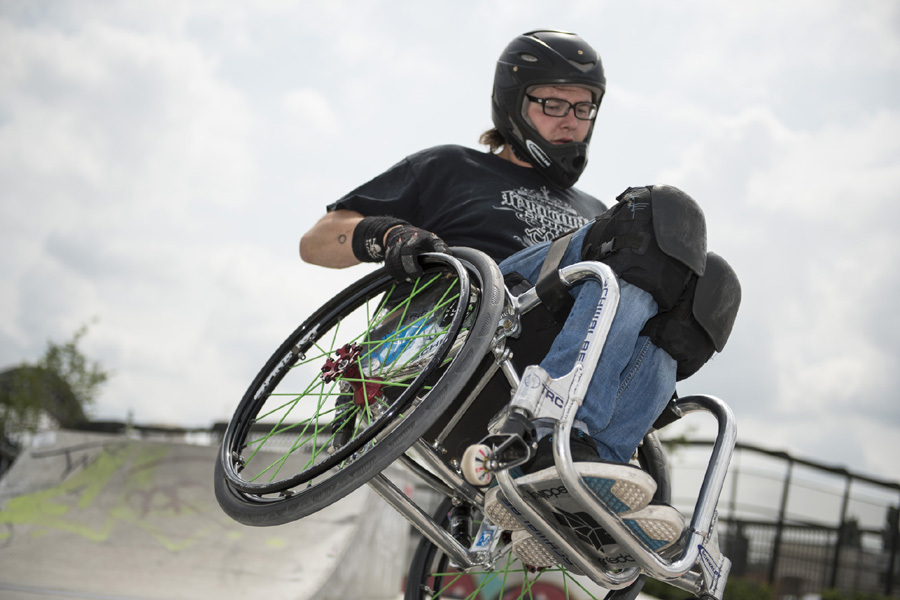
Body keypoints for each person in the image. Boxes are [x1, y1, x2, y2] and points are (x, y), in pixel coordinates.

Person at [300, 30, 735, 566]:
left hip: (541, 360)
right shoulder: (452, 167)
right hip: (464, 336)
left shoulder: (594, 209)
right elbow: (318, 240)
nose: (571, 118)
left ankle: (588, 471)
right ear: (513, 102)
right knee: (658, 215)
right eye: (553, 102)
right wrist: (388, 235)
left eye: (584, 107)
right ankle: (554, 431)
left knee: (709, 286)